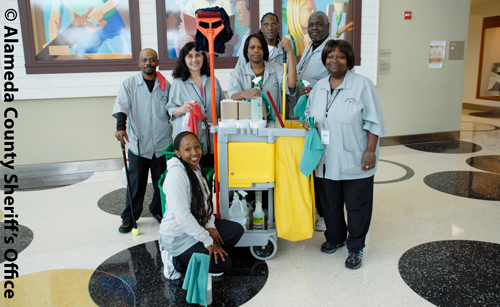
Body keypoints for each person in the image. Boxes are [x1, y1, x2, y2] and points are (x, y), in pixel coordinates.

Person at [303, 40, 386, 270]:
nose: (334, 60)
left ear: (349, 60)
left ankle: (355, 247)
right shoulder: (319, 87)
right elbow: (309, 114)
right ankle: (335, 237)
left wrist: (370, 151)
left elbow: (374, 122)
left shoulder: (363, 85)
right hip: (325, 158)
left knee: (357, 205)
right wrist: (308, 124)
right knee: (329, 205)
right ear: (325, 60)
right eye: (330, 56)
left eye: (340, 56)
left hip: (355, 158)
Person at [159, 132, 244, 279]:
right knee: (223, 264)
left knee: (236, 230)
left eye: (197, 147)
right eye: (187, 149)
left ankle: (204, 255)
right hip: (178, 237)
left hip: (197, 226)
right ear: (177, 153)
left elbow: (205, 203)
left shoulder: (196, 169)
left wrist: (210, 226)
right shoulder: (176, 176)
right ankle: (174, 261)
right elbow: (183, 217)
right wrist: (208, 241)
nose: (194, 153)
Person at [112, 48, 172, 233]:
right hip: (139, 144)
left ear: (157, 62)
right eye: (145, 60)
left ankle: (158, 210)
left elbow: (173, 110)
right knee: (135, 185)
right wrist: (120, 127)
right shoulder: (129, 84)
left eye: (152, 60)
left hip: (161, 143)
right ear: (139, 63)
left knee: (161, 184)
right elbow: (122, 106)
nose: (148, 63)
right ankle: (129, 218)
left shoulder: (165, 85)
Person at [166, 42, 223, 168]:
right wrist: (182, 109)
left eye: (198, 55)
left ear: (203, 57)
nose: (194, 59)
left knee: (211, 173)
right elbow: (170, 110)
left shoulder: (212, 80)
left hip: (212, 138)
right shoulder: (178, 82)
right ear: (184, 60)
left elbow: (222, 107)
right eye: (190, 56)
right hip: (190, 142)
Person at [228, 33, 297, 117]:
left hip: (273, 123)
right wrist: (244, 94)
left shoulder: (276, 68)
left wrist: (290, 52)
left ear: (264, 50)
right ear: (246, 51)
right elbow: (233, 95)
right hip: (249, 123)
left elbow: (291, 84)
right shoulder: (238, 72)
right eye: (252, 47)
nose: (256, 50)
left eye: (260, 47)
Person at [46, 0, 131, 54]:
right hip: (88, 26)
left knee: (128, 55)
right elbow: (55, 18)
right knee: (81, 59)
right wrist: (53, 45)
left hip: (112, 24)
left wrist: (102, 10)